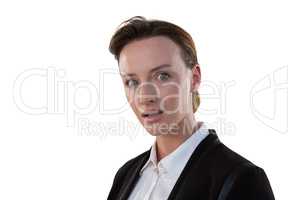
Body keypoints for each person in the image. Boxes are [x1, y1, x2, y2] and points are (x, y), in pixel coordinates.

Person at [106, 16, 275, 200]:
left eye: (162, 76)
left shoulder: (242, 180)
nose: (145, 96)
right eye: (132, 81)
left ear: (194, 79)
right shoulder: (125, 175)